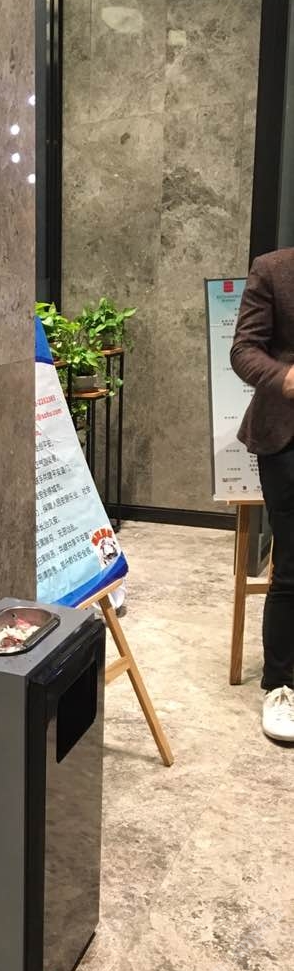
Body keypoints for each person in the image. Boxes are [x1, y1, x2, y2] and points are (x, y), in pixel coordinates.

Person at [231, 248, 294, 742]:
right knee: (292, 564)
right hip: (287, 435)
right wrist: (285, 378)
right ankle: (281, 684)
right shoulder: (273, 269)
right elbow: (244, 350)